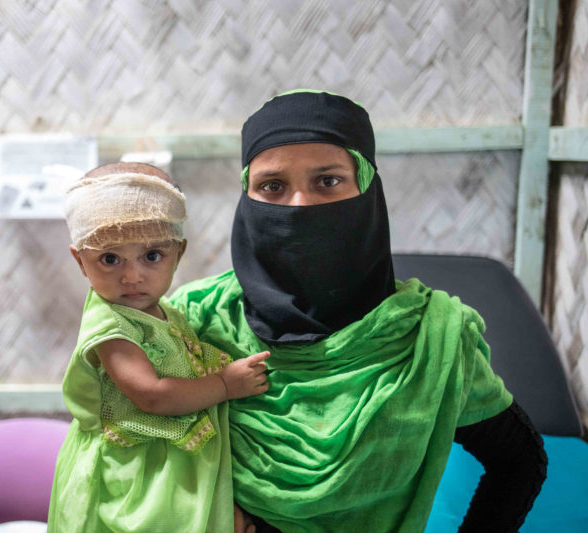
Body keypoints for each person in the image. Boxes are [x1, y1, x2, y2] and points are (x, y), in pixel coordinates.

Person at [170, 90, 548, 532]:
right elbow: (129, 446)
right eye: (272, 186)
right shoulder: (194, 322)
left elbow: (519, 463)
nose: (299, 206)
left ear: (367, 188)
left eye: (327, 181)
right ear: (246, 195)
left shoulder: (428, 340)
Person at [48, 161, 270, 533]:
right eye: (109, 258)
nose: (132, 276)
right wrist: (226, 386)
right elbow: (151, 396)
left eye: (152, 256)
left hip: (167, 466)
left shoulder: (165, 311)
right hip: (135, 477)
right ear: (80, 261)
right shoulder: (111, 327)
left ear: (178, 253)